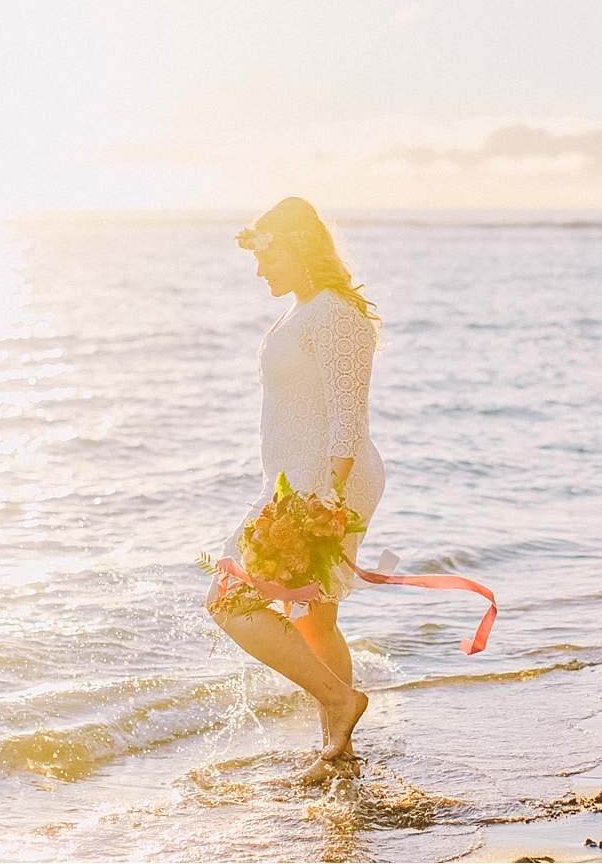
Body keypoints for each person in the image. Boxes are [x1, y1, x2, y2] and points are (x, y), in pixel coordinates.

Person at [206, 196, 384, 783]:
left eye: (267, 254)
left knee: (228, 599)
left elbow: (347, 418)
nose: (260, 270)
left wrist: (324, 502)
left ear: (297, 246)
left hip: (319, 487)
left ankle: (339, 705)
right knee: (314, 622)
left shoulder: (335, 314)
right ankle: (340, 751)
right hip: (295, 482)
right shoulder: (304, 310)